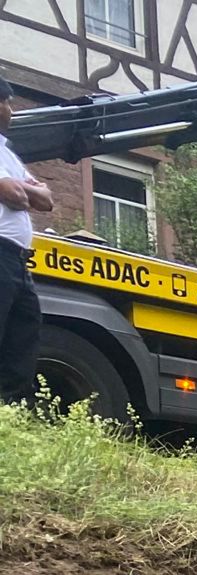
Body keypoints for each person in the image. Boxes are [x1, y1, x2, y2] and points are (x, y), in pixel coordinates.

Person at [0, 75, 55, 405]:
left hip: (18, 261)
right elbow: (14, 194)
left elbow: (46, 200)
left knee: (23, 334)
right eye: (5, 103)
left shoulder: (7, 154)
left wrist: (28, 190)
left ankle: (9, 417)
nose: (10, 110)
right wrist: (27, 190)